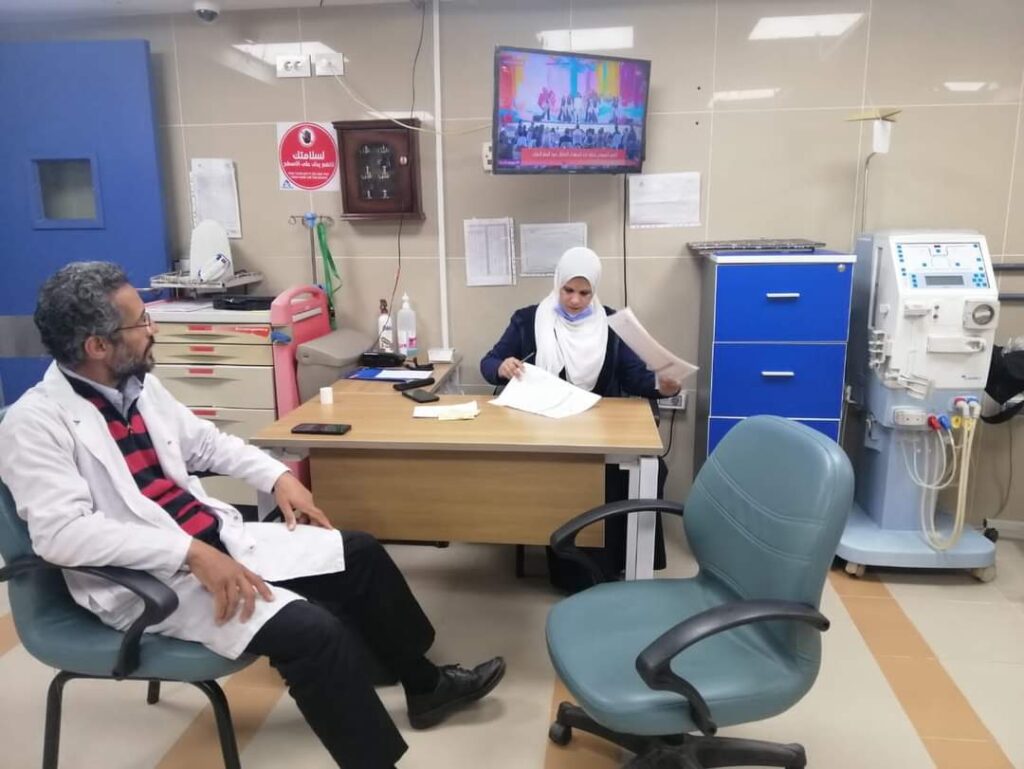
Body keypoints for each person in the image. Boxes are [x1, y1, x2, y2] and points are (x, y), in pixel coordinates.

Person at [0, 262, 505, 769]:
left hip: (213, 543)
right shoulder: (34, 424)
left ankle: (426, 686)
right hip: (150, 583)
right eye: (141, 322)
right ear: (97, 346)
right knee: (313, 633)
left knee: (359, 553)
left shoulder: (139, 388)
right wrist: (188, 552)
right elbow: (61, 535)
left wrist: (279, 477)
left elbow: (208, 444)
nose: (153, 330)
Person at [480, 248, 681, 591]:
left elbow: (635, 377)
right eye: (568, 290)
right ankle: (573, 573)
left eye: (584, 293)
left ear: (594, 291)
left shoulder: (613, 324)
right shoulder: (527, 320)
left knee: (637, 471)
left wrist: (662, 386)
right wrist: (501, 367)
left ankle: (615, 564)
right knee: (561, 475)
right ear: (557, 284)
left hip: (599, 427)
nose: (575, 300)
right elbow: (489, 362)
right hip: (543, 427)